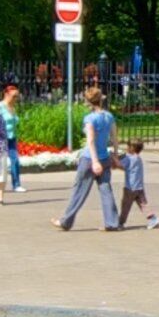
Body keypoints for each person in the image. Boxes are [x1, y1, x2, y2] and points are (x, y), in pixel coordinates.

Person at [56, 87, 122, 231]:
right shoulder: (109, 116)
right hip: (105, 157)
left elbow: (90, 141)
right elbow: (115, 137)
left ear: (88, 101)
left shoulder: (90, 118)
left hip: (89, 159)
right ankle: (112, 222)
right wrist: (115, 156)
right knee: (106, 190)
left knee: (79, 190)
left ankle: (66, 221)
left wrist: (94, 161)